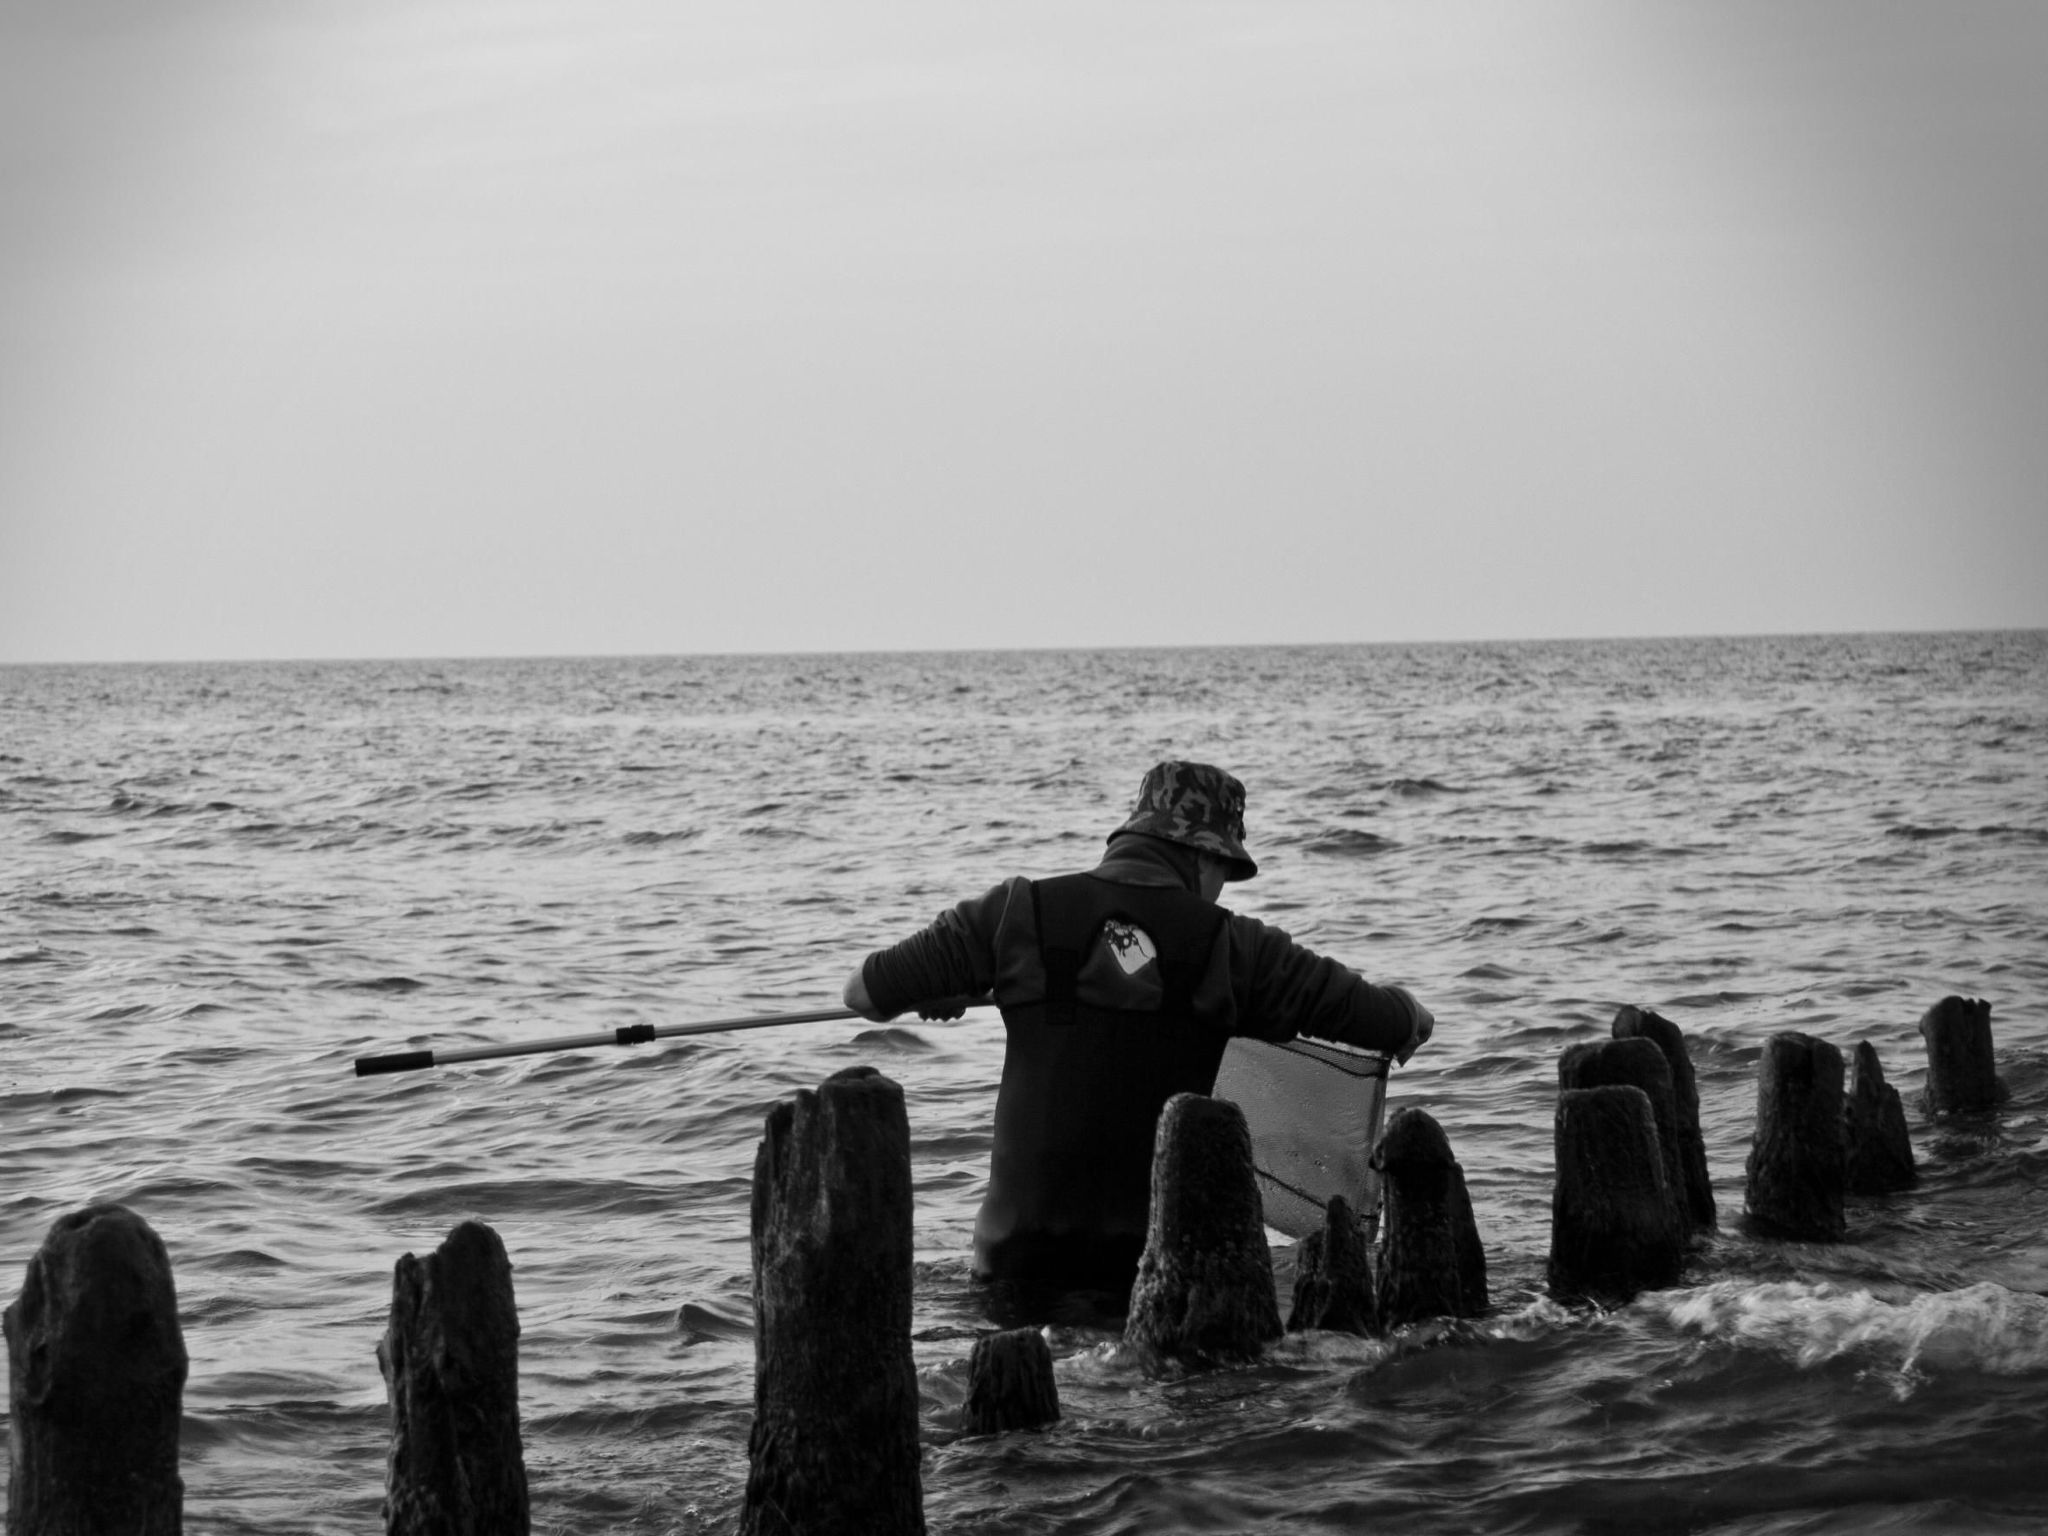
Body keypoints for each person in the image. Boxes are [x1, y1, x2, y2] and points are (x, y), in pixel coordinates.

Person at [843, 760, 1434, 1304]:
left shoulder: (1016, 913)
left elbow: (864, 993)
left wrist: (946, 988)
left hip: (1012, 1262)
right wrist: (1410, 1013)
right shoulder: (1236, 948)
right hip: (1156, 1274)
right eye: (1226, 872)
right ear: (1204, 858)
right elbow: (1379, 1020)